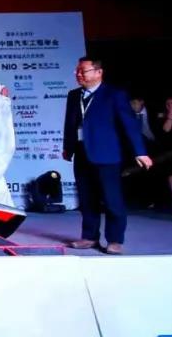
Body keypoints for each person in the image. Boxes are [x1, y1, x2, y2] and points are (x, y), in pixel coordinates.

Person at [62, 57, 152, 254]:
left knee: (112, 199)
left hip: (107, 154)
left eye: (83, 71)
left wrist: (140, 152)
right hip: (82, 153)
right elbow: (70, 124)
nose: (79, 74)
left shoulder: (114, 95)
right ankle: (89, 237)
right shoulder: (73, 95)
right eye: (77, 71)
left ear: (98, 72)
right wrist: (68, 147)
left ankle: (115, 240)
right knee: (87, 198)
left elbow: (129, 124)